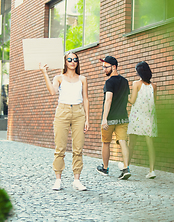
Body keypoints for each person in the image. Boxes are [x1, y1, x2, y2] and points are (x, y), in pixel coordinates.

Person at [39, 52, 90, 191]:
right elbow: (52, 92)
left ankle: (76, 180)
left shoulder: (83, 79)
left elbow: (85, 98)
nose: (72, 62)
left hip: (79, 113)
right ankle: (58, 180)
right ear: (65, 62)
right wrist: (44, 73)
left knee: (78, 148)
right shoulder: (59, 78)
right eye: (69, 59)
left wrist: (87, 118)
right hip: (62, 111)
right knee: (60, 147)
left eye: (75, 59)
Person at [96, 56, 131, 180]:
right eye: (103, 67)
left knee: (106, 143)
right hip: (122, 118)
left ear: (114, 67)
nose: (104, 69)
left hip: (110, 118)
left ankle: (105, 168)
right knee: (123, 142)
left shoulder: (109, 82)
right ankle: (126, 168)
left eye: (106, 67)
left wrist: (104, 118)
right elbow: (128, 99)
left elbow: (108, 100)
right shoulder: (125, 81)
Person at [127, 61, 158, 179]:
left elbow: (132, 101)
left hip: (137, 117)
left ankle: (126, 166)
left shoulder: (136, 84)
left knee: (131, 144)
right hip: (149, 118)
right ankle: (152, 171)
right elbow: (155, 103)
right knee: (150, 145)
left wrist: (126, 97)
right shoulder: (154, 86)